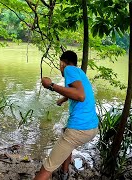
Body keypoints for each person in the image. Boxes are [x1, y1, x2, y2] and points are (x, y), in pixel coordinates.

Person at [34, 50, 98, 180]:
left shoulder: (69, 69)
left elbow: (80, 95)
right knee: (65, 135)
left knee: (46, 168)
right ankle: (64, 174)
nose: (60, 69)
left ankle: (57, 173)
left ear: (63, 63)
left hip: (79, 129)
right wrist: (63, 99)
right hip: (92, 127)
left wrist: (51, 85)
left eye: (60, 65)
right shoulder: (80, 73)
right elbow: (79, 92)